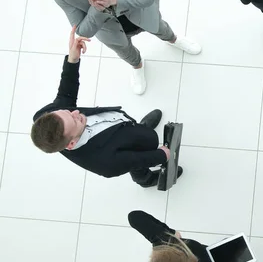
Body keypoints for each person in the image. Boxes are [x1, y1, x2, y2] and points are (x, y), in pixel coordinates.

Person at [30, 27, 182, 188]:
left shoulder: (46, 116)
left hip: (121, 127)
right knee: (136, 162)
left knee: (138, 132)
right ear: (71, 144)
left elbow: (65, 96)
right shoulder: (105, 163)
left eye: (67, 112)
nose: (75, 112)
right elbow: (134, 160)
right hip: (128, 152)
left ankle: (139, 128)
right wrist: (160, 156)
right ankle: (145, 180)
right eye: (75, 121)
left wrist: (73, 60)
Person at [49, 0, 201, 94]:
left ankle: (173, 40)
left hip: (140, 12)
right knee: (125, 51)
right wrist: (97, 8)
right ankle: (138, 66)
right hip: (110, 30)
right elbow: (82, 31)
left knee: (161, 28)